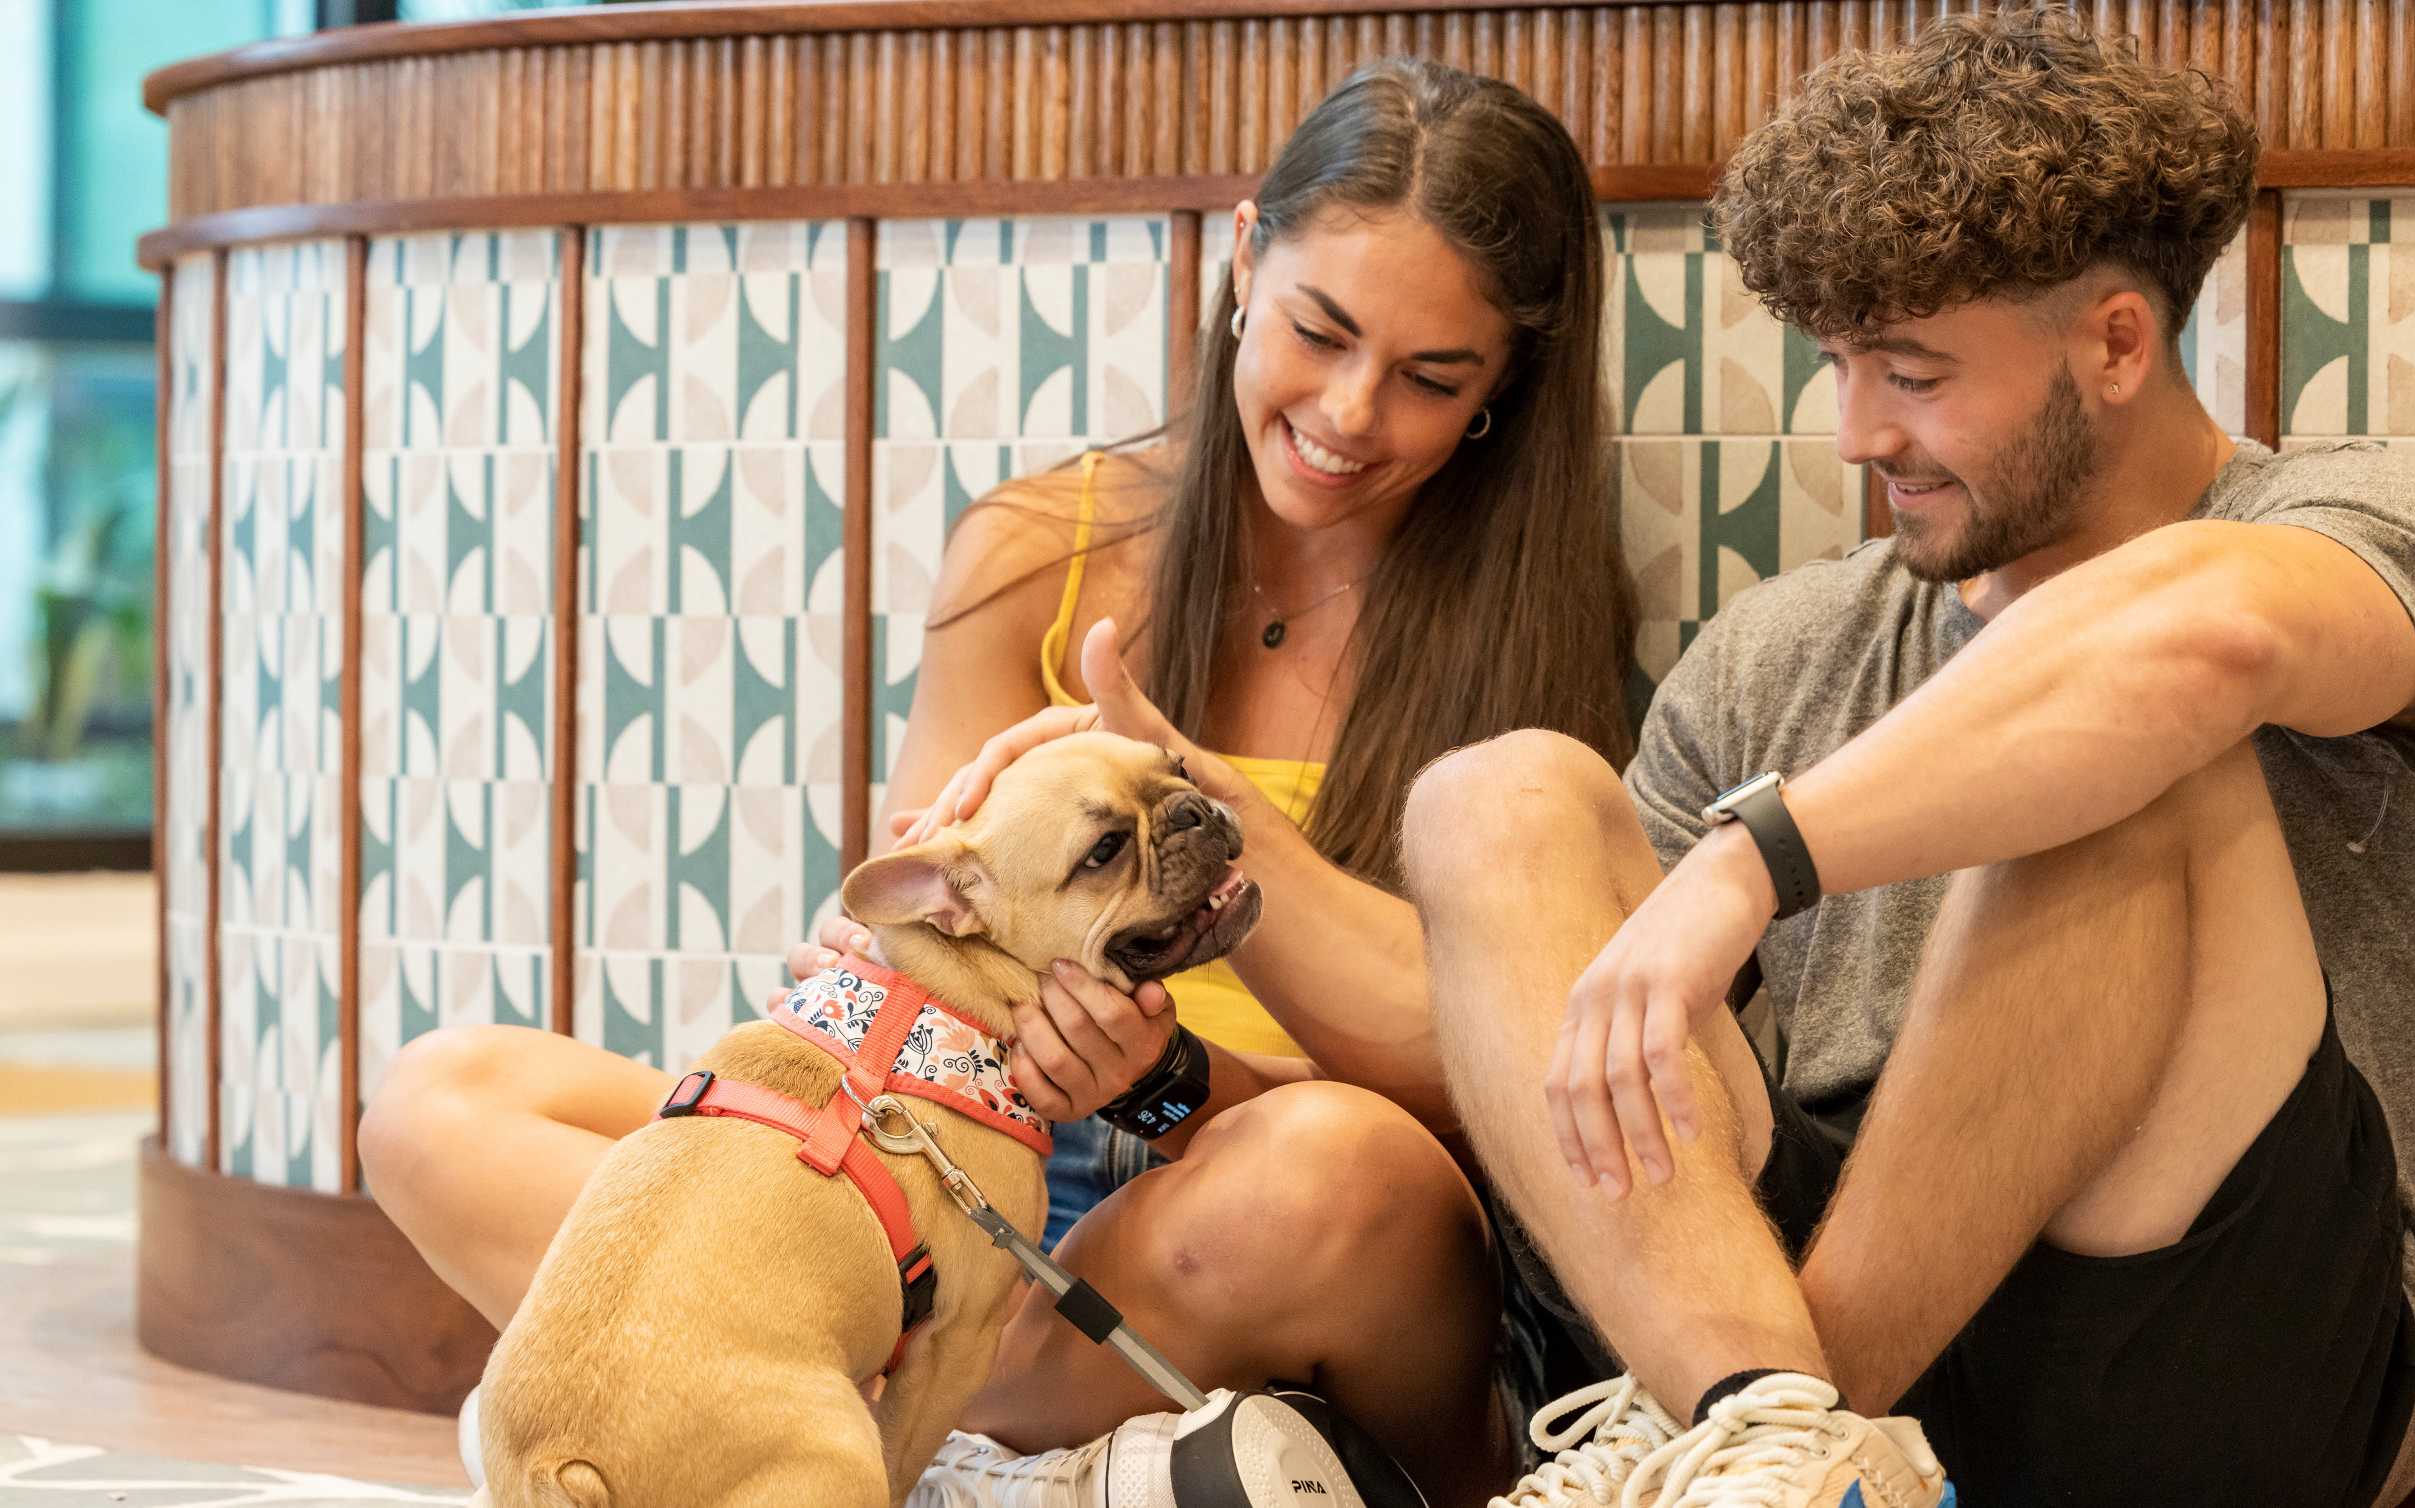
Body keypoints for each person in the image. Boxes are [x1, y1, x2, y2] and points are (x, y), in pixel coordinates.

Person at [357, 58, 1632, 1508]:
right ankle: (985, 1447)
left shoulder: (1532, 630)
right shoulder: (1046, 547)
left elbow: (1484, 1095)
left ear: (1503, 387)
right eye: (1318, 332)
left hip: (1247, 1198)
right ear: (1241, 257)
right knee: (439, 1100)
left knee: (1346, 1169)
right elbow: (902, 943)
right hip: (951, 1183)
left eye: (1430, 377)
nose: (1348, 412)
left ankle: (875, 1426)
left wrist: (1169, 1065)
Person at [1400, 10, 2415, 1508]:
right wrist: (1206, 963)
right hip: (1831, 1283)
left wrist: (1753, 861)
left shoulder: (2366, 530)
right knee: (1494, 798)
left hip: (2208, 1332)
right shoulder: (1783, 650)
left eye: (1912, 374)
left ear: (2118, 342)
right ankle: (1769, 1430)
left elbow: (2201, 648)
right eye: (1840, 364)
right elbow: (1550, 1022)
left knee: (2137, 751)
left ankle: (1782, 1445)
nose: (1857, 433)